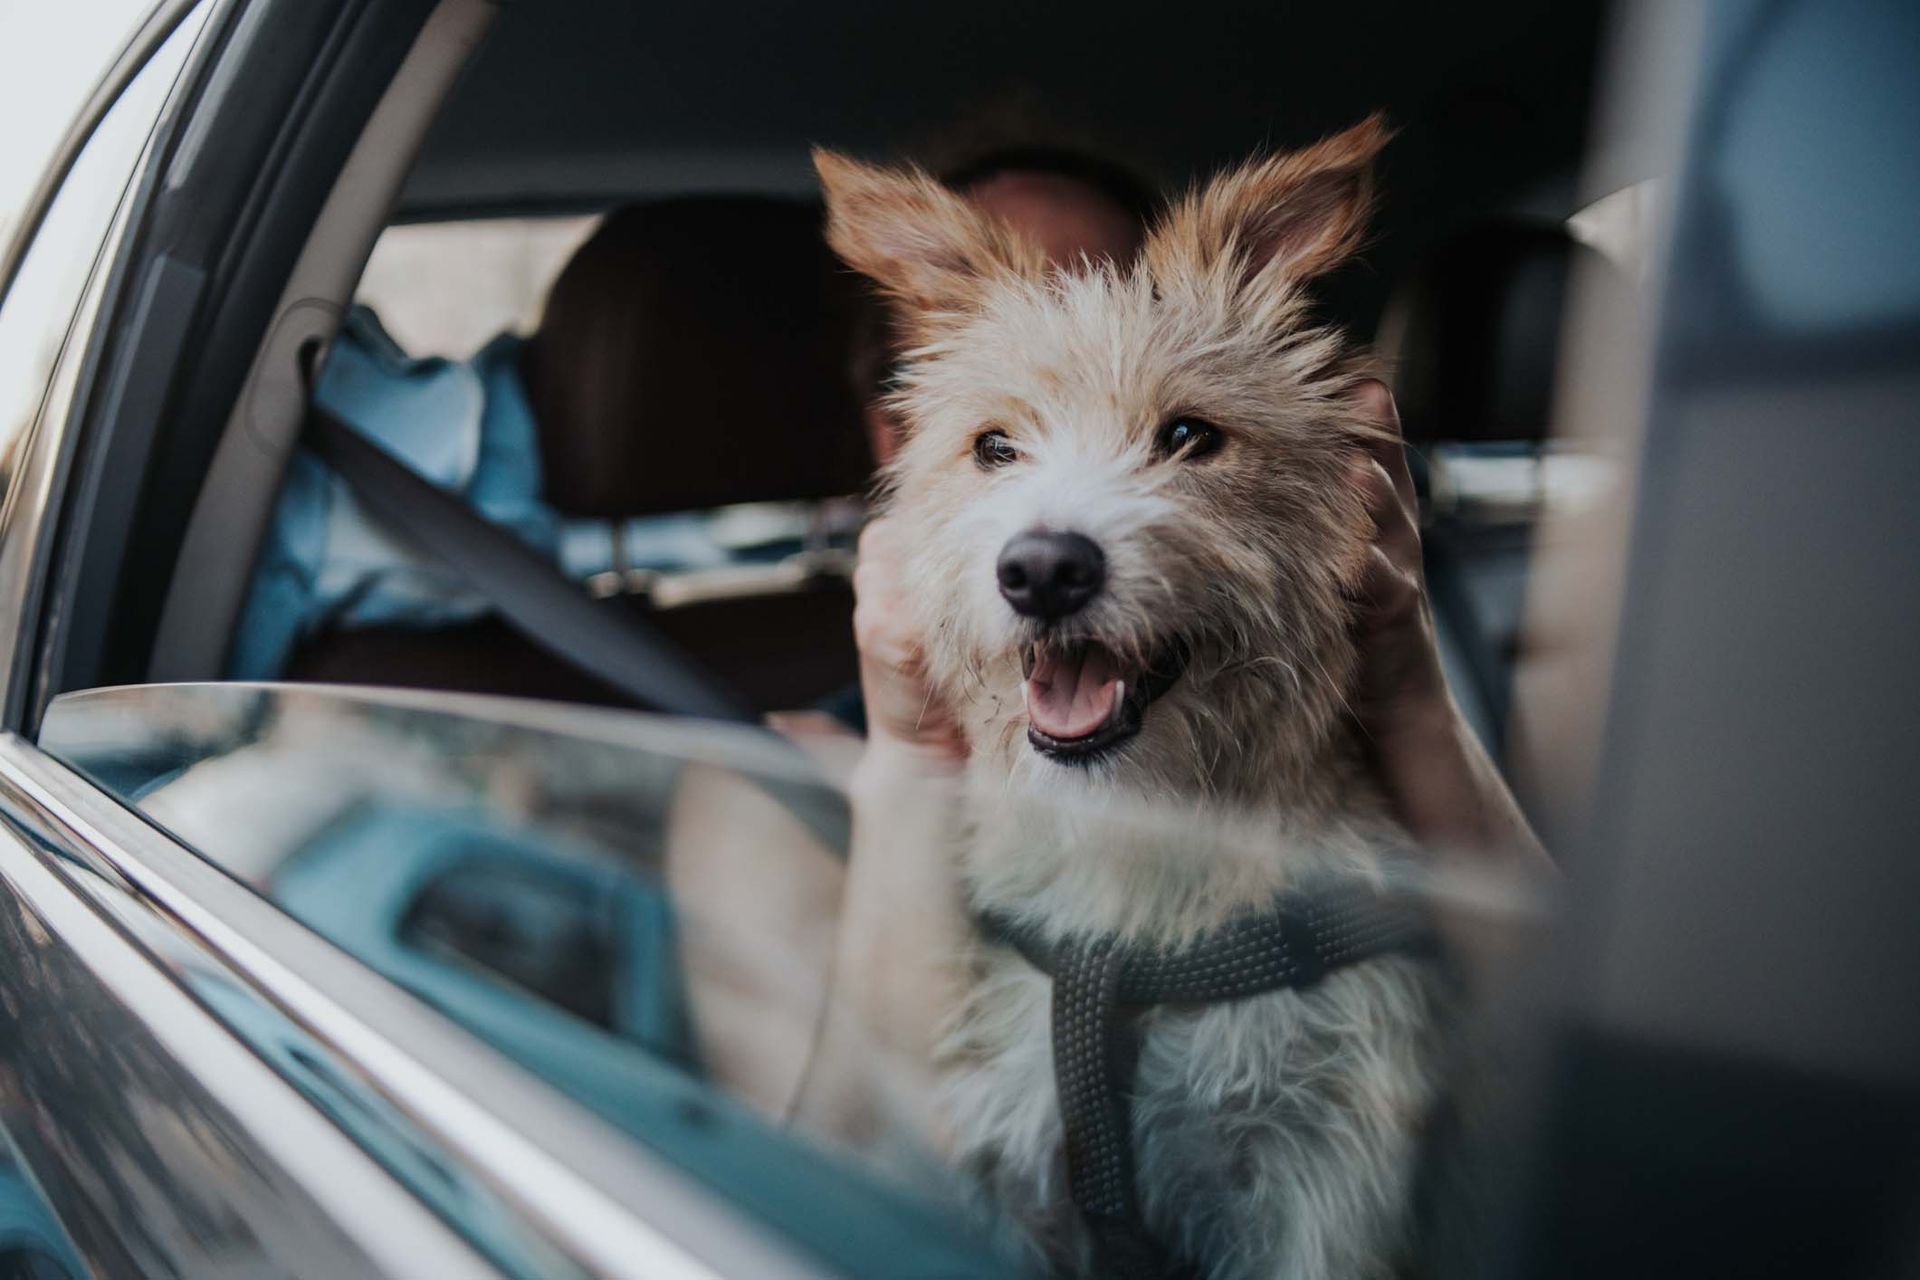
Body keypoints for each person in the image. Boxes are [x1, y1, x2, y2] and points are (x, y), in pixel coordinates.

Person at [783, 146, 1550, 1147]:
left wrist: (1401, 683)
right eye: (999, 444)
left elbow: (1568, 1060)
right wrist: (907, 749)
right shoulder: (767, 777)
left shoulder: (1343, 710)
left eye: (1179, 434)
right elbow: (844, 1168)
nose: (1058, 523)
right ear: (898, 441)